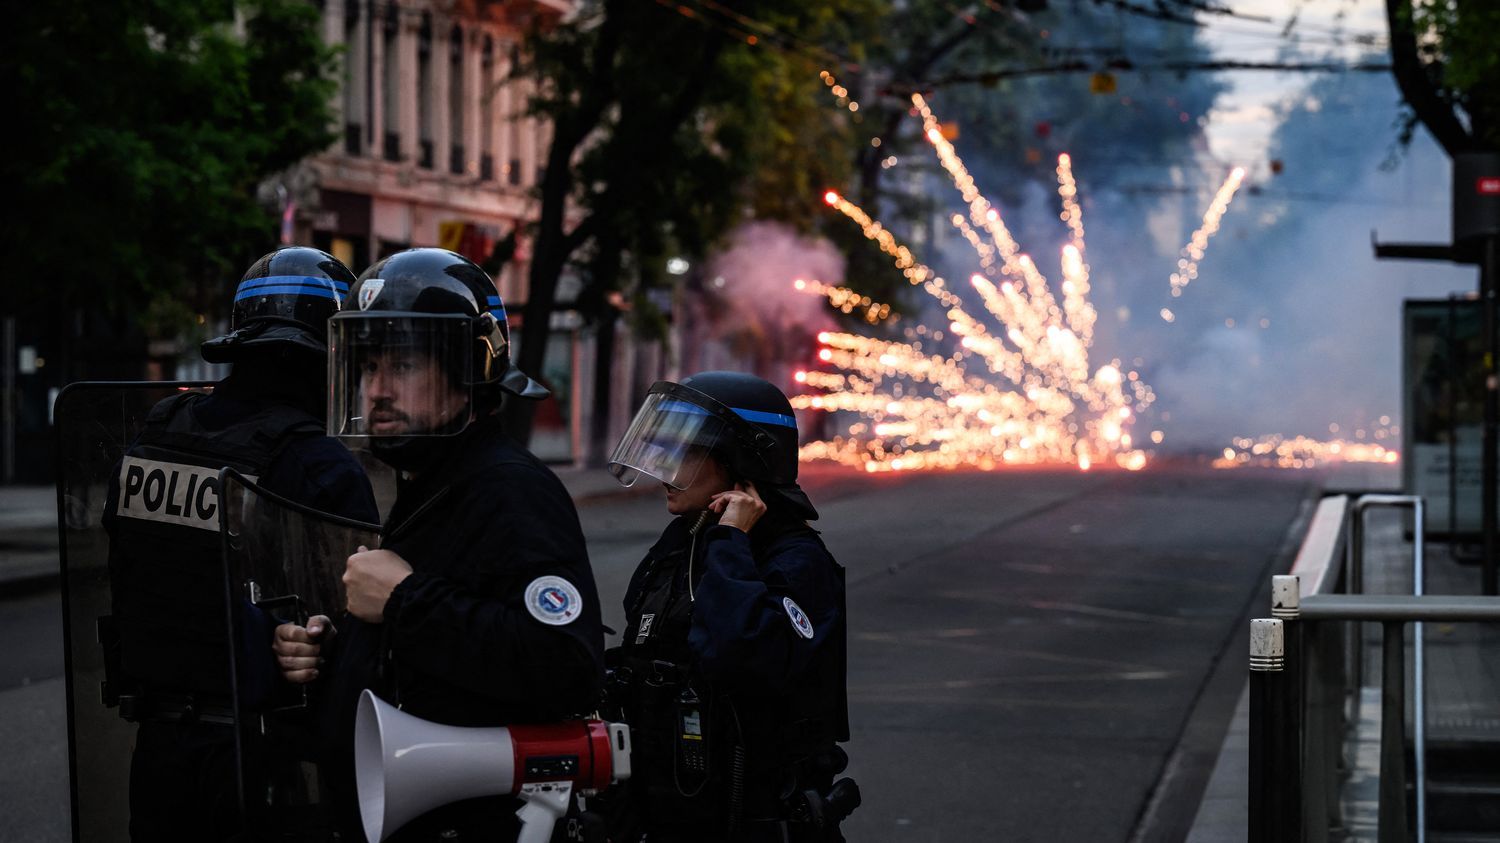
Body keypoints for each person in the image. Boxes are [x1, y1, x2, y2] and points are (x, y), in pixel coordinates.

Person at [272, 247, 605, 841]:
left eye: (400, 367)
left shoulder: (510, 492)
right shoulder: (433, 483)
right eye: (367, 368)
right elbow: (429, 657)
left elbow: (565, 664)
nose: (375, 390)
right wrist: (332, 655)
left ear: (467, 369)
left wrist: (402, 600)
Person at [102, 246, 379, 841]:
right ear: (330, 354)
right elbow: (355, 638)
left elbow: (127, 573)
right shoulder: (323, 467)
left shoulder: (157, 435)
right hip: (265, 760)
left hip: (158, 751)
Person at [602, 372, 858, 842]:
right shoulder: (685, 539)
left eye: (684, 452)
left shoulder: (795, 561)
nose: (664, 468)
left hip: (748, 818)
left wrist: (732, 541)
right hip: (667, 811)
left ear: (741, 460)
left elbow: (740, 655)